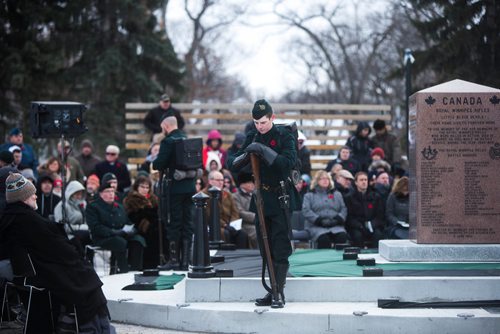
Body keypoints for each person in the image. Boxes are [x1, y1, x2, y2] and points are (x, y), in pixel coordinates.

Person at [0, 173, 112, 333]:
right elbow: (54, 247)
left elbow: (48, 243)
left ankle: (86, 324)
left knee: (84, 274)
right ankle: (91, 326)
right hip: (39, 271)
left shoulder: (14, 216)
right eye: (32, 193)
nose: (36, 196)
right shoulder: (26, 219)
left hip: (35, 266)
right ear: (24, 198)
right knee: (86, 278)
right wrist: (73, 246)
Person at [227, 99, 300, 308]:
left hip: (280, 198)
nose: (260, 126)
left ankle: (279, 292)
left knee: (280, 247)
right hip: (260, 198)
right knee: (264, 246)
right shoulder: (252, 135)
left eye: (263, 122)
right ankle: (272, 289)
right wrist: (247, 153)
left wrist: (263, 150)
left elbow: (287, 164)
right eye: (256, 122)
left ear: (272, 118)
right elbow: (233, 163)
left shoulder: (283, 135)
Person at [153, 116, 195, 271]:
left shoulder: (168, 141)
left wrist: (156, 162)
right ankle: (185, 261)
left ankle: (174, 260)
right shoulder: (186, 139)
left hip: (174, 188)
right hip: (190, 187)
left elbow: (159, 163)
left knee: (174, 222)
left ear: (166, 126)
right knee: (187, 223)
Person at [86, 179, 145, 274]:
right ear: (101, 194)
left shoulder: (119, 207)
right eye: (108, 191)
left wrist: (132, 230)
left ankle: (135, 269)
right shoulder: (93, 207)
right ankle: (123, 271)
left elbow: (128, 221)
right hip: (103, 237)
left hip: (121, 234)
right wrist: (114, 232)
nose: (111, 194)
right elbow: (95, 227)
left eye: (113, 191)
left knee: (138, 240)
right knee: (119, 242)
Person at [302, 171, 348, 249]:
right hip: (316, 226)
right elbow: (306, 210)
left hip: (335, 225)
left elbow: (343, 208)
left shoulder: (337, 194)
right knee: (324, 239)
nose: (325, 180)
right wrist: (319, 220)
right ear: (317, 181)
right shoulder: (309, 195)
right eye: (322, 178)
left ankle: (339, 259)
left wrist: (337, 219)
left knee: (342, 236)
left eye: (327, 178)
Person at [204, 170, 249, 249]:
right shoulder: (205, 195)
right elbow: (209, 215)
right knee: (225, 233)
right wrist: (225, 225)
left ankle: (241, 257)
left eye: (222, 180)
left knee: (242, 234)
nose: (221, 182)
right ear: (210, 181)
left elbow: (235, 211)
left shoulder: (227, 194)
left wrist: (233, 223)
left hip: (230, 224)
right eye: (218, 180)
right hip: (215, 225)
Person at [123, 175, 160, 269]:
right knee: (152, 232)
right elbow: (134, 216)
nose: (145, 189)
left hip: (152, 224)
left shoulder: (154, 199)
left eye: (147, 187)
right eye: (142, 187)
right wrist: (149, 213)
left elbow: (157, 213)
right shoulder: (131, 199)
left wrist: (149, 213)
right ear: (137, 187)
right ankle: (148, 265)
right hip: (138, 227)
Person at [344, 172, 385, 248]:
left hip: (373, 226)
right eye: (361, 180)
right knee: (357, 236)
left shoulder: (376, 196)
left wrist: (372, 224)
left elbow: (380, 215)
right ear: (356, 182)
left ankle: (376, 256)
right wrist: (360, 225)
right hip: (357, 226)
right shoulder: (349, 197)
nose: (364, 182)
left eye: (365, 180)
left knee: (378, 235)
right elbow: (349, 217)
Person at [53, 181, 91, 253]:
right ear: (70, 193)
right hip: (68, 235)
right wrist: (79, 227)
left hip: (84, 233)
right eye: (76, 194)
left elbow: (88, 218)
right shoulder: (62, 206)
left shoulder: (83, 204)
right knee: (79, 242)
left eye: (81, 193)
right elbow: (61, 226)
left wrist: (87, 226)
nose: (79, 196)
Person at [232, 172, 258, 249]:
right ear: (243, 184)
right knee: (258, 233)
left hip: (257, 222)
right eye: (250, 182)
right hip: (244, 224)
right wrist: (257, 217)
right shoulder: (235, 196)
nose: (253, 185)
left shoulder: (255, 194)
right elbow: (240, 212)